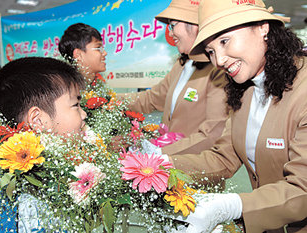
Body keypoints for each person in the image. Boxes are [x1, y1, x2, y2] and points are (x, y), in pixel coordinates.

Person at [168, 0, 307, 232]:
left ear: (263, 27)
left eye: (225, 41)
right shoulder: (245, 90)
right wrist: (163, 166)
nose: (219, 61)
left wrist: (235, 206)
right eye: (211, 51)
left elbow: (303, 188)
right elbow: (223, 158)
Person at [0, 57, 87, 232]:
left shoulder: (47, 172)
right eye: (76, 105)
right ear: (37, 120)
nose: (84, 114)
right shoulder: (16, 198)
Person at [119, 0, 228, 156]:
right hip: (166, 165)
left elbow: (212, 134)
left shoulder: (219, 71)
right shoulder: (182, 65)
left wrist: (157, 153)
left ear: (194, 25)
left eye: (173, 25)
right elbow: (151, 98)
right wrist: (109, 100)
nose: (170, 34)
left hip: (193, 168)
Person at [59, 23, 129, 152]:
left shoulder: (99, 86)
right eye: (98, 48)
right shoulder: (64, 91)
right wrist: (105, 146)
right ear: (78, 54)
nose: (105, 53)